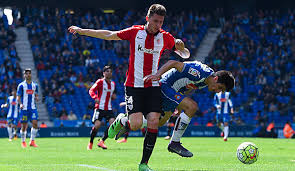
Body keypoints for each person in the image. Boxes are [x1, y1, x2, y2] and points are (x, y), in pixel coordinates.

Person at [69, 4, 189, 170]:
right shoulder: (135, 32)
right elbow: (109, 35)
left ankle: (144, 164)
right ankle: (122, 120)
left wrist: (181, 47)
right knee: (136, 124)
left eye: (161, 22)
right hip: (133, 86)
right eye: (155, 21)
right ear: (147, 18)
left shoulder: (166, 37)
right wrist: (82, 30)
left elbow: (185, 54)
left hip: (153, 86)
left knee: (154, 121)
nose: (158, 25)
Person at [144, 60, 235, 158]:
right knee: (192, 106)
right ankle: (174, 143)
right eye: (220, 88)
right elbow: (173, 63)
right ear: (216, 78)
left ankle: (127, 122)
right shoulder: (198, 73)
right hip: (165, 85)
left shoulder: (206, 80)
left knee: (159, 122)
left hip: (174, 90)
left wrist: (179, 105)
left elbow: (188, 85)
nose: (218, 91)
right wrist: (158, 75)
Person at [87, 65, 116, 150]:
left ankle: (102, 141)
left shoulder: (113, 84)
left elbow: (112, 95)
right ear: (103, 73)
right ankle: (91, 142)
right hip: (99, 108)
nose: (108, 73)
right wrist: (95, 97)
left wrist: (114, 97)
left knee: (112, 124)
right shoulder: (100, 82)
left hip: (109, 108)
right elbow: (91, 90)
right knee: (97, 125)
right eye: (107, 71)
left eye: (110, 71)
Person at [17, 68, 39, 148]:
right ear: (24, 75)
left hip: (33, 108)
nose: (28, 75)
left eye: (29, 73)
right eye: (26, 73)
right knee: (24, 126)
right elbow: (18, 97)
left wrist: (36, 98)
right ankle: (23, 141)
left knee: (35, 124)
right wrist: (20, 104)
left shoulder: (35, 85)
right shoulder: (21, 85)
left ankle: (32, 141)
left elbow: (36, 95)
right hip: (24, 109)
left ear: (31, 74)